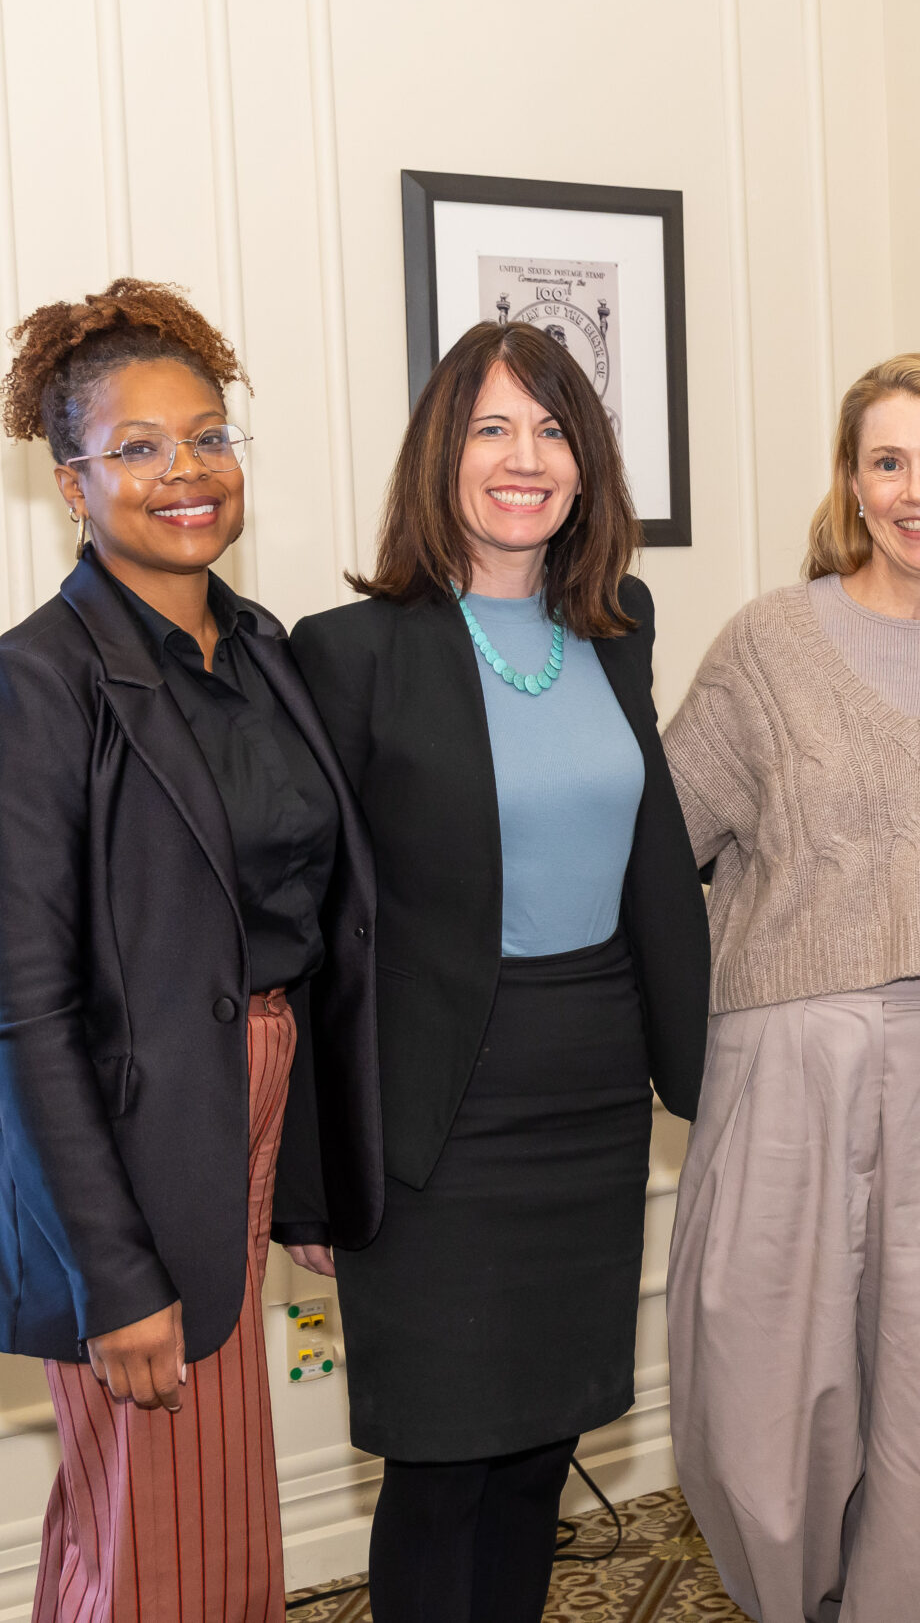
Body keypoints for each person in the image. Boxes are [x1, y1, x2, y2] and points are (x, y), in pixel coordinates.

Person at [0, 278, 382, 1623]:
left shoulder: (262, 651)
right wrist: (116, 1274)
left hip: (241, 1125)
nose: (184, 470)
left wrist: (304, 1175)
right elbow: (25, 1011)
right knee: (177, 1551)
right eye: (137, 447)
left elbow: (302, 935)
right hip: (128, 1169)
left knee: (148, 1527)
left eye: (206, 435)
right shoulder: (29, 683)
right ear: (70, 480)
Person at [289, 321, 709, 1623]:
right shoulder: (350, 651)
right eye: (491, 428)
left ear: (586, 462)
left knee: (537, 1450)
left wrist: (700, 1070)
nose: (525, 457)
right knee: (440, 1460)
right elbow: (313, 933)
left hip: (588, 1097)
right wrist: (309, 1172)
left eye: (553, 428)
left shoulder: (619, 623)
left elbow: (651, 859)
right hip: (432, 1113)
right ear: (442, 455)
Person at [662, 353, 920, 1623]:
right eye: (885, 462)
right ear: (851, 482)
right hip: (778, 1060)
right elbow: (655, 845)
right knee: (755, 1403)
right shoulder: (770, 644)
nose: (915, 490)